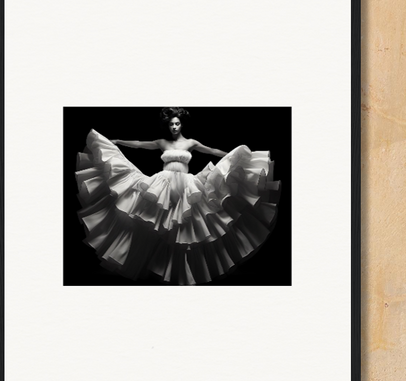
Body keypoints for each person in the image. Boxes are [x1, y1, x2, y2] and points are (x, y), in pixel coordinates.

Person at [73, 110, 279, 285]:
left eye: (177, 123)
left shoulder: (190, 142)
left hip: (188, 184)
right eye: (171, 123)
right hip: (163, 183)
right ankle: (156, 266)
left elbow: (212, 150)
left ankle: (180, 270)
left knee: (185, 226)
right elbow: (139, 144)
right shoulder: (162, 142)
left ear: (181, 124)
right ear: (167, 125)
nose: (174, 126)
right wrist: (118, 141)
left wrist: (232, 154)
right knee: (158, 223)